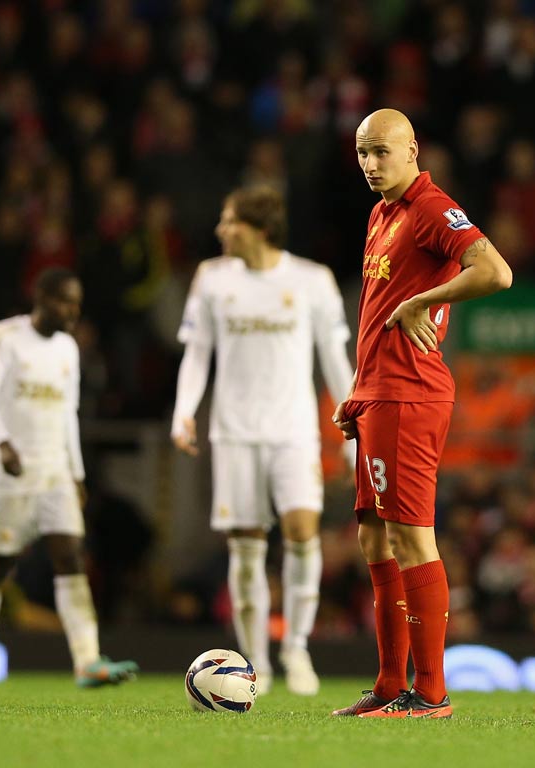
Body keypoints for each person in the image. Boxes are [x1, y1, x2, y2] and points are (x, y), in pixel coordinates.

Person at [331, 108, 513, 718]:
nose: (370, 164)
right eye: (362, 152)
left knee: (411, 537)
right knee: (373, 536)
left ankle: (431, 693)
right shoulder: (383, 212)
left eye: (382, 151)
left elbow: (495, 271)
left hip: (411, 394)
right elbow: (377, 307)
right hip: (380, 392)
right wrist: (359, 389)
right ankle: (389, 686)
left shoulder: (434, 209)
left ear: (413, 149)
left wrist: (423, 301)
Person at [171, 185, 355, 695]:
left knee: (302, 531)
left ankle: (296, 648)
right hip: (234, 432)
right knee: (246, 548)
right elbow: (197, 351)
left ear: (259, 229)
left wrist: (351, 423)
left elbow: (334, 358)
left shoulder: (312, 281)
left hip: (294, 431)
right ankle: (258, 665)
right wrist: (184, 411)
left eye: (229, 222)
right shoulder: (211, 278)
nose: (220, 231)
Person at [0, 267, 138, 688]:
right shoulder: (3, 338)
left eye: (77, 304)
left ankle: (87, 661)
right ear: (40, 296)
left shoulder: (68, 349)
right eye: (65, 302)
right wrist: (2, 441)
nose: (73, 312)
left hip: (54, 471)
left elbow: (68, 416)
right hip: (7, 473)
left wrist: (76, 473)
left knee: (71, 556)